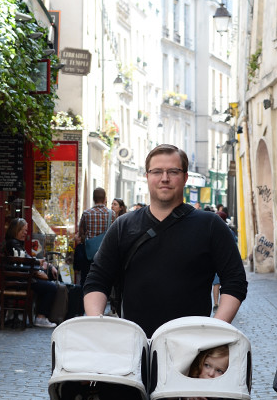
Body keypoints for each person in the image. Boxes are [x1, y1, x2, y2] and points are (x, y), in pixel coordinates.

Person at [83, 144, 248, 337]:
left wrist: (212, 332)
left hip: (193, 348)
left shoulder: (210, 225)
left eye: (173, 171)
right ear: (147, 176)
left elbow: (235, 281)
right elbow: (97, 279)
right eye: (157, 171)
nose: (164, 178)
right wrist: (97, 325)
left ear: (185, 177)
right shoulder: (123, 226)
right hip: (135, 346)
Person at [4, 218, 61, 328]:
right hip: (21, 279)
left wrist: (47, 265)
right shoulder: (13, 243)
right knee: (51, 287)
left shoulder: (16, 243)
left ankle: (41, 315)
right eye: (23, 230)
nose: (25, 233)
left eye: (26, 231)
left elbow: (27, 259)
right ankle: (41, 317)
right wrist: (39, 263)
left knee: (49, 284)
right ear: (16, 230)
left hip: (23, 277)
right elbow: (25, 260)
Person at [75, 188, 115, 286]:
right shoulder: (111, 214)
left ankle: (85, 299)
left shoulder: (86, 213)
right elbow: (114, 234)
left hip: (89, 254)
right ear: (105, 199)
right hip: (105, 254)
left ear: (93, 198)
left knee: (86, 279)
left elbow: (81, 233)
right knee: (103, 281)